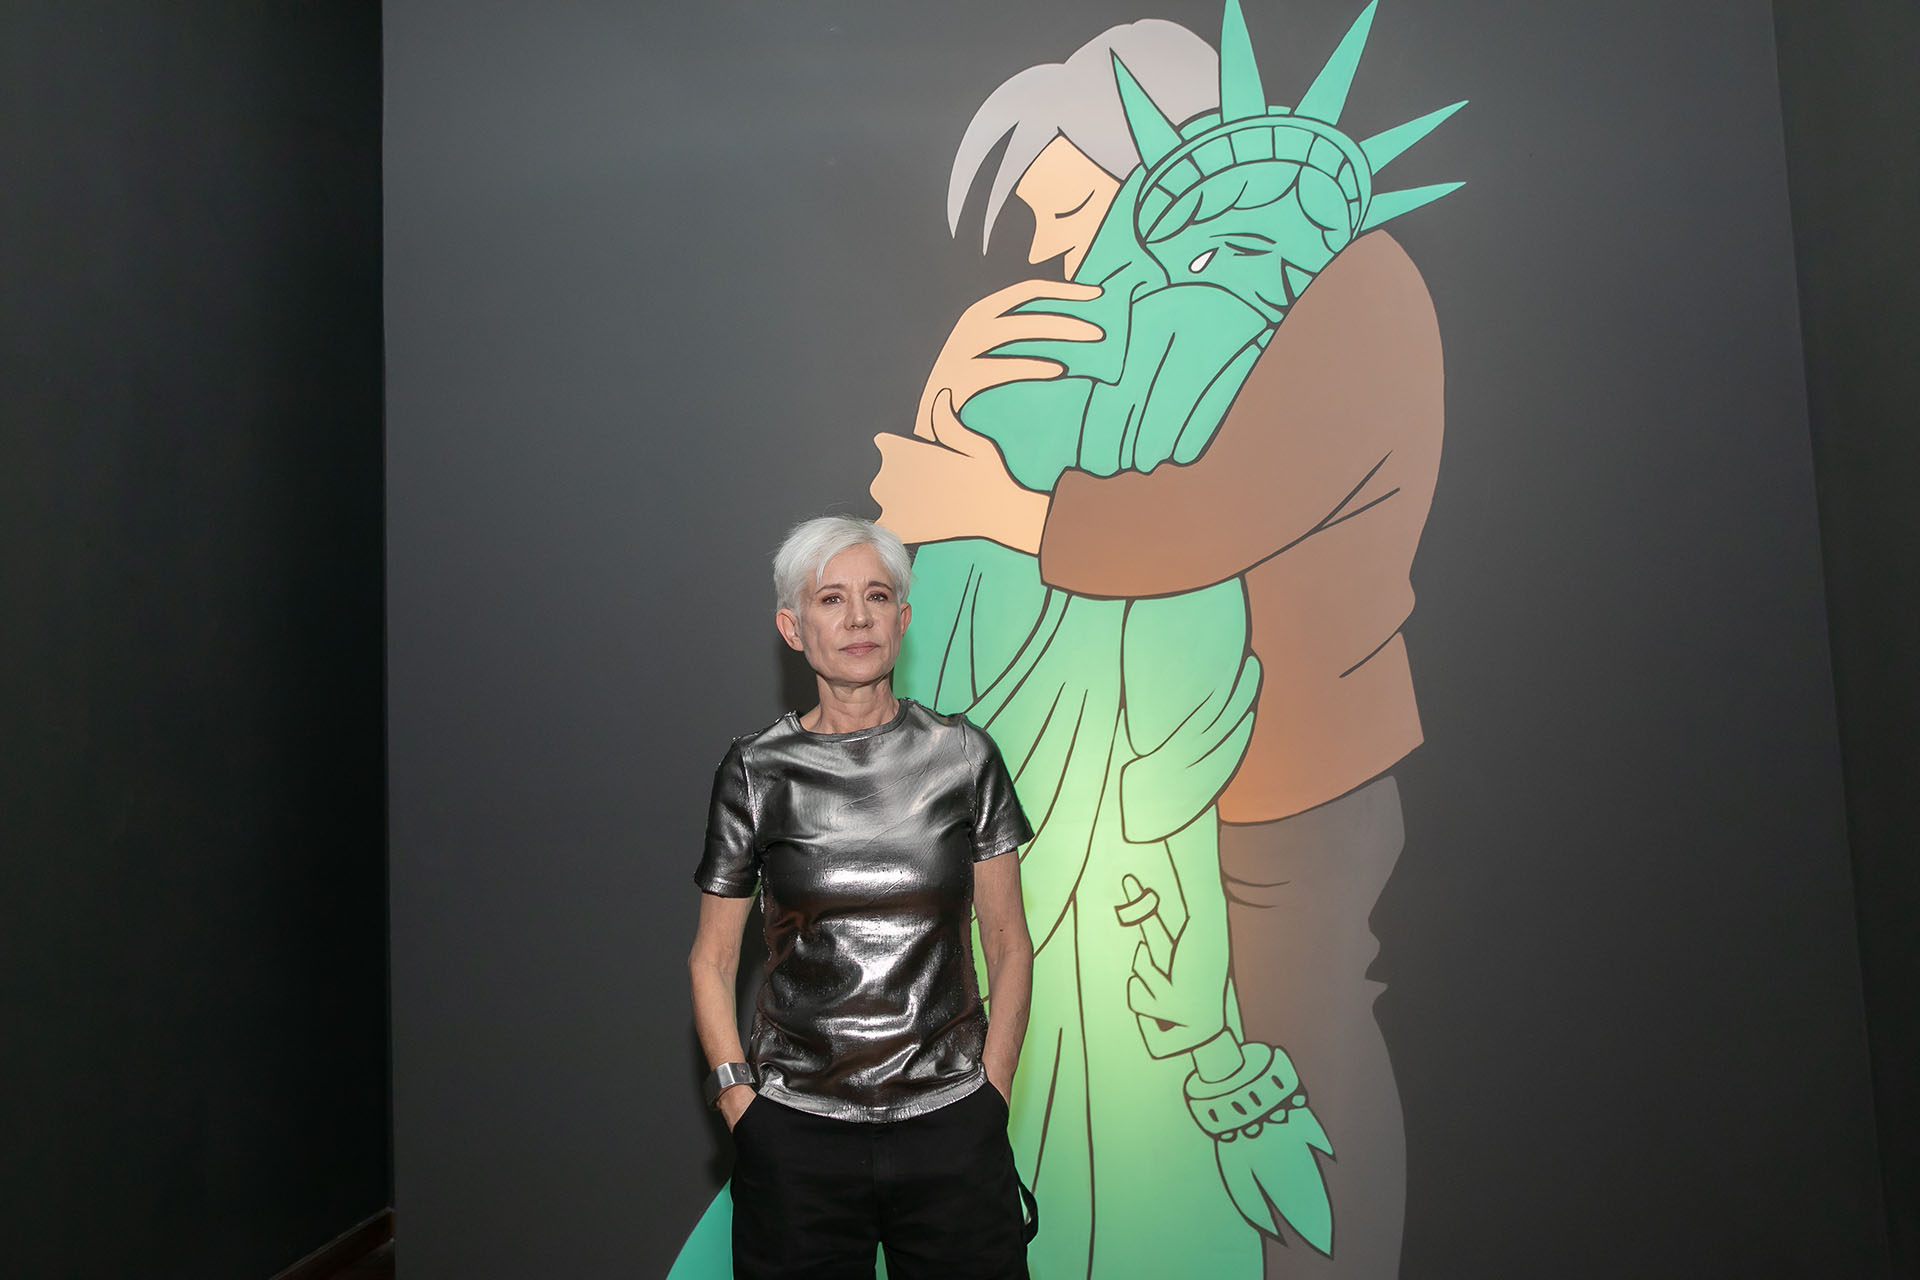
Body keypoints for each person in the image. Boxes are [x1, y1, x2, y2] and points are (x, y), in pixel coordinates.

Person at [871, 4, 1458, 1276]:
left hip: (1289, 773)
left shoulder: (1348, 298)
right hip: (1173, 803)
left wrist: (987, 498)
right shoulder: (1158, 337)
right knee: (1207, 1090)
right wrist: (953, 408)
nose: (1059, 254)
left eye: (1075, 208)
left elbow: (1207, 520)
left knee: (1303, 1068)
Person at [684, 515, 1036, 1280]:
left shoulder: (965, 756)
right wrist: (739, 1102)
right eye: (831, 599)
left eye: (876, 596)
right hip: (795, 1139)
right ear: (792, 627)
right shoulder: (755, 771)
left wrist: (993, 1092)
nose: (857, 618)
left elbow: (1009, 941)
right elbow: (711, 959)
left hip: (952, 1127)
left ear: (902, 620)